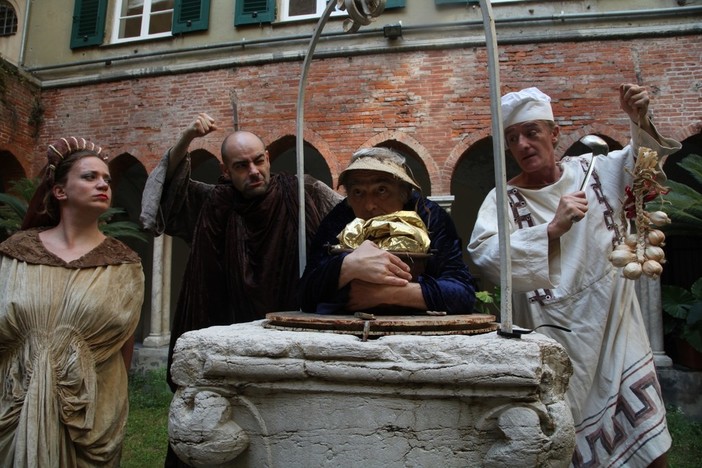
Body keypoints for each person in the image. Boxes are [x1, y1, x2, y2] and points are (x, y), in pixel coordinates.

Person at [467, 84, 681, 467]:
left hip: (615, 323)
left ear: (554, 133)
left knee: (651, 443)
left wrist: (640, 119)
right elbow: (484, 257)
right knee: (571, 441)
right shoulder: (502, 199)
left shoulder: (596, 171)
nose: (523, 145)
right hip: (556, 338)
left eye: (532, 132)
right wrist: (550, 230)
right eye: (513, 138)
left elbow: (646, 167)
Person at [140, 114, 341, 466]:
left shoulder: (304, 191)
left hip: (291, 335)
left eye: (259, 160)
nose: (254, 171)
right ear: (225, 170)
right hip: (226, 332)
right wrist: (187, 136)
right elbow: (164, 196)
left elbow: (356, 217)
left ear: (267, 156)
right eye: (241, 165)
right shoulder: (211, 202)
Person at [0, 137, 145, 466]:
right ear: (60, 191)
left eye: (107, 179)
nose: (103, 184)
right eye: (90, 177)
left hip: (88, 415)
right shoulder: (15, 254)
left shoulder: (123, 264)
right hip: (14, 407)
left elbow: (123, 345)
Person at [299, 146, 476, 315]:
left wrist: (389, 294)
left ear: (404, 192)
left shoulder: (430, 217)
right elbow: (305, 293)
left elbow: (463, 292)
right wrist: (347, 266)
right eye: (358, 192)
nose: (369, 206)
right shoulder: (339, 219)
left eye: (381, 190)